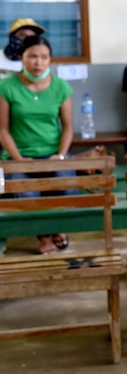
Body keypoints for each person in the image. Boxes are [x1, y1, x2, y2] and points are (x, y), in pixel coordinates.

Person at [0, 35, 74, 254]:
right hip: (19, 156)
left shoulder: (61, 87)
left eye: (44, 57)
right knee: (29, 195)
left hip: (53, 154)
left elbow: (68, 127)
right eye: (32, 56)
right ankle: (44, 236)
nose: (38, 62)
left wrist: (61, 155)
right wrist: (19, 160)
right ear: (21, 58)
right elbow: (2, 130)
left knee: (65, 186)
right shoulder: (6, 87)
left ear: (50, 60)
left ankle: (59, 229)